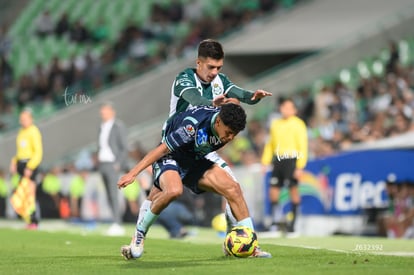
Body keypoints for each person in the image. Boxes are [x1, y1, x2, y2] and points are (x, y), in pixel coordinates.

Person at [136, 38, 272, 256]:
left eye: (219, 67)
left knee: (233, 189)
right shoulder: (184, 79)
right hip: (177, 145)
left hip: (202, 146)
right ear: (198, 62)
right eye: (211, 67)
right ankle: (138, 238)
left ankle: (246, 245)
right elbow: (193, 97)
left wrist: (253, 97)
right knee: (159, 193)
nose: (215, 72)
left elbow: (240, 93)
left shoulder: (221, 80)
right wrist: (211, 104)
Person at [119, 103, 271, 259]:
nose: (230, 138)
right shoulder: (192, 127)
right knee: (173, 190)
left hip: (195, 161)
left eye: (235, 134)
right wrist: (133, 173)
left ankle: (252, 246)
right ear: (218, 122)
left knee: (234, 188)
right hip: (171, 158)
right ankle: (139, 234)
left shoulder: (225, 121)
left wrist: (246, 97)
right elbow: (162, 149)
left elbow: (231, 102)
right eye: (229, 132)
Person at [261, 98, 308, 234]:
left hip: (292, 159)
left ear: (294, 110)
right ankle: (275, 223)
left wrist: (300, 166)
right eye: (284, 107)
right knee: (273, 192)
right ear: (280, 108)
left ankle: (293, 226)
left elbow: (303, 146)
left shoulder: (298, 124)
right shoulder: (275, 124)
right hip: (278, 160)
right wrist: (265, 162)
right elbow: (270, 144)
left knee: (293, 191)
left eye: (289, 107)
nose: (286, 110)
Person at [97, 102, 129, 236]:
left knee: (114, 194)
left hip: (112, 163)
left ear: (111, 112)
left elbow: (124, 147)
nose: (102, 114)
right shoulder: (101, 127)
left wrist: (118, 163)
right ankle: (114, 221)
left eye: (105, 111)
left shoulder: (118, 126)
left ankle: (118, 223)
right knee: (108, 195)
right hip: (102, 163)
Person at [9, 109, 43, 229]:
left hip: (30, 165)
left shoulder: (34, 131)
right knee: (23, 194)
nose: (22, 121)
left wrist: (30, 167)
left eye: (25, 119)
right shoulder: (21, 132)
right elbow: (20, 152)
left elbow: (38, 152)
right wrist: (14, 162)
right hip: (21, 165)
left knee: (30, 194)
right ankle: (28, 220)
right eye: (21, 119)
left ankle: (34, 220)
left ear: (31, 119)